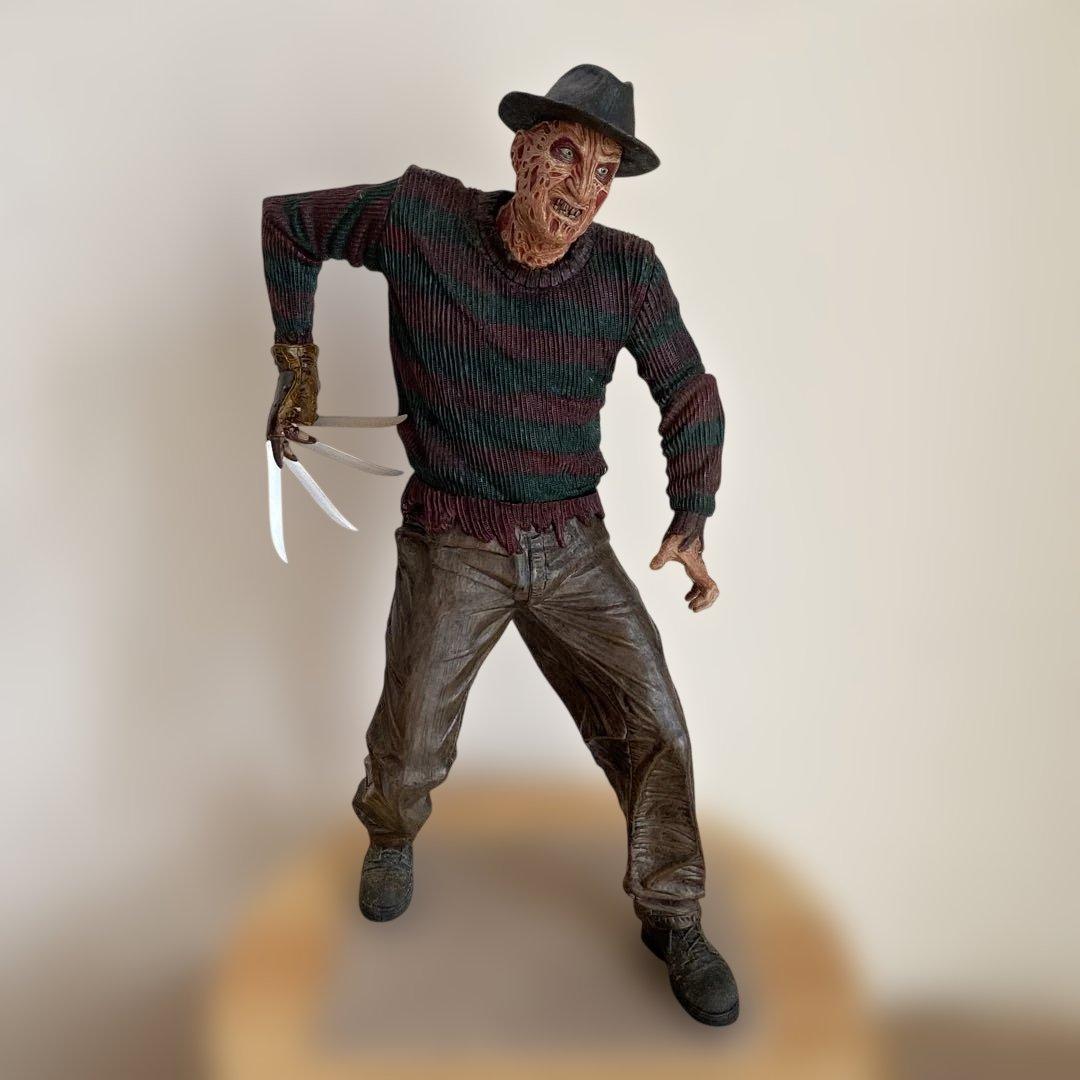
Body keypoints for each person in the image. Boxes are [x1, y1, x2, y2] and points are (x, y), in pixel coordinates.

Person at [261, 63, 737, 1026]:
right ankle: (391, 834)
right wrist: (296, 363)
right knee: (410, 736)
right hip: (455, 539)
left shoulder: (627, 271)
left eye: (604, 173)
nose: (579, 189)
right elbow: (290, 224)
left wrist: (691, 513)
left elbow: (688, 389)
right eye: (564, 154)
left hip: (572, 544)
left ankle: (674, 915)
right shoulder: (420, 219)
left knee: (656, 723)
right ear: (520, 152)